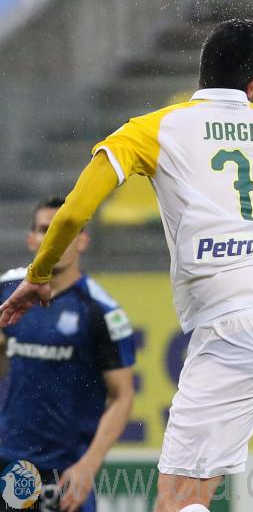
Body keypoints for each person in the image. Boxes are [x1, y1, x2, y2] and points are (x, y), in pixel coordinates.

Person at [0, 20, 253, 512]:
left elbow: (70, 214)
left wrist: (38, 274)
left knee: (177, 500)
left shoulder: (152, 129)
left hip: (233, 330)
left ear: (202, 69)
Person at [0, 197, 135, 512]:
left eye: (64, 231)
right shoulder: (8, 291)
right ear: (31, 239)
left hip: (64, 474)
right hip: (9, 464)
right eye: (44, 230)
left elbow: (123, 395)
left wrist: (90, 464)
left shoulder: (102, 310)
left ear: (83, 240)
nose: (53, 240)